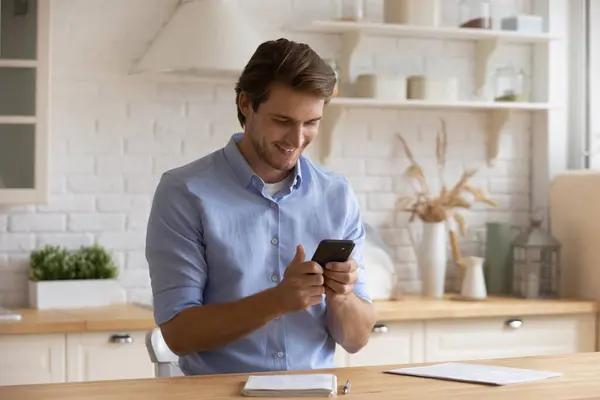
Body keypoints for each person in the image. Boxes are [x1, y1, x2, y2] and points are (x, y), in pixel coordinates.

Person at [145, 37, 376, 376]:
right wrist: (279, 300)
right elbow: (178, 334)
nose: (297, 140)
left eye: (311, 122)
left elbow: (356, 340)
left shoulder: (336, 195)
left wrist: (341, 296)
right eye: (282, 120)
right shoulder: (184, 192)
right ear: (245, 104)